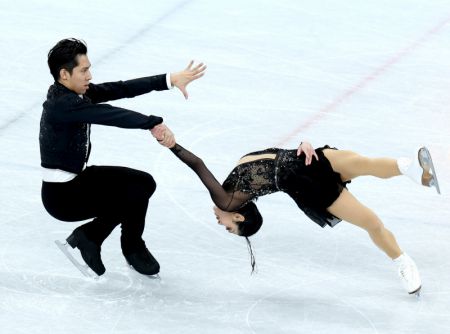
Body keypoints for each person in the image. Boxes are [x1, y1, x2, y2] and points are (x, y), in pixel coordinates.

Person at [151, 124, 440, 295]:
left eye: (226, 227)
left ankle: (413, 170)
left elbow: (269, 158)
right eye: (228, 226)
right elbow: (198, 164)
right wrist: (173, 145)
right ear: (238, 215)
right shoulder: (227, 200)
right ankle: (403, 262)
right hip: (304, 182)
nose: (221, 222)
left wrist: (303, 143)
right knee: (371, 222)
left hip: (303, 158)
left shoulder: (233, 186)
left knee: (365, 163)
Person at [39, 38, 206, 277]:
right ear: (64, 74)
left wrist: (168, 80)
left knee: (142, 183)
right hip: (62, 197)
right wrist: (152, 123)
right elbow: (109, 115)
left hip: (77, 181)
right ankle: (94, 238)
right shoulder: (61, 105)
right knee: (132, 193)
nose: (89, 76)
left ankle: (126, 245)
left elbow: (120, 88)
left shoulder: (74, 95)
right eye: (84, 70)